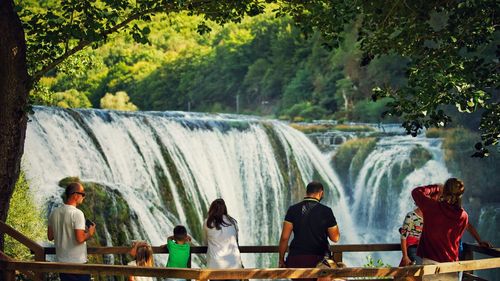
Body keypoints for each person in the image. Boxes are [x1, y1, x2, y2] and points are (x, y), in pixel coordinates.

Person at [278, 181, 340, 281]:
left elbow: (284, 238)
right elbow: (335, 238)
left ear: (307, 192)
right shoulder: (326, 211)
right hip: (319, 260)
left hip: (295, 261)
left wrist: (281, 259)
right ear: (321, 193)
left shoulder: (292, 210)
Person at [412, 178, 468, 281]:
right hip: (451, 265)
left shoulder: (432, 207)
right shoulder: (463, 216)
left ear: (444, 191)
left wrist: (435, 187)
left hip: (429, 262)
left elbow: (416, 192)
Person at [48, 182, 96, 281]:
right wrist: (89, 233)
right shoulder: (77, 213)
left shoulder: (54, 213)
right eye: (82, 194)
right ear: (75, 195)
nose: (84, 197)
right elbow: (80, 238)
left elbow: (50, 236)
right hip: (77, 264)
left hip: (62, 263)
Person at [204, 198, 243, 269]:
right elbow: (236, 241)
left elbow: (205, 242)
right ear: (224, 209)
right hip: (234, 265)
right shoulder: (232, 222)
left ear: (212, 209)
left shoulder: (208, 223)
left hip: (215, 265)